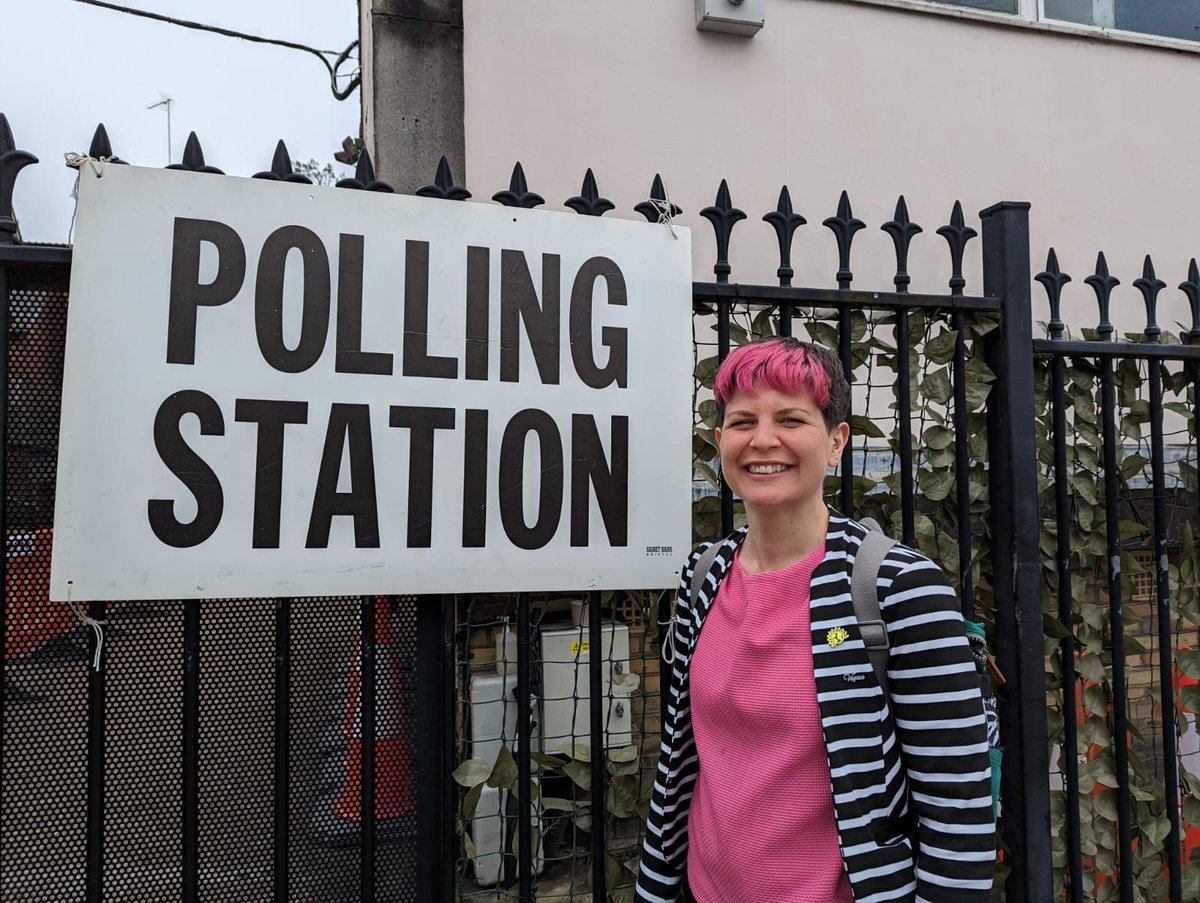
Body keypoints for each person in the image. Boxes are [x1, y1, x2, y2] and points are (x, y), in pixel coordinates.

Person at [635, 337, 994, 903]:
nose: (762, 439)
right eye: (741, 420)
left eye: (791, 418)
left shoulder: (897, 585)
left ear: (836, 442)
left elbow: (959, 813)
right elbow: (681, 765)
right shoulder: (701, 576)